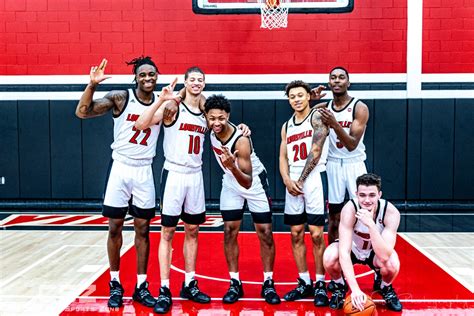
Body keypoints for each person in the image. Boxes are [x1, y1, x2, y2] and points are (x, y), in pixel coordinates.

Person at [75, 57, 176, 309]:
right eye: (142, 75)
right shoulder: (121, 97)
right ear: (136, 78)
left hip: (144, 170)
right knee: (115, 228)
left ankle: (141, 286)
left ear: (157, 76)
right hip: (120, 167)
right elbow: (82, 112)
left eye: (152, 74)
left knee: (143, 229)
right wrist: (92, 85)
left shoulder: (162, 103)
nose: (147, 78)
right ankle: (115, 283)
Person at [204, 94, 281, 305]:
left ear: (228, 115)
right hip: (230, 182)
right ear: (206, 117)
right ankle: (235, 282)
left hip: (252, 182)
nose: (216, 122)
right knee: (229, 231)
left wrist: (231, 165)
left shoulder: (241, 140)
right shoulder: (210, 126)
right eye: (212, 119)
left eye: (221, 118)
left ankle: (268, 282)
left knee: (265, 233)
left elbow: (247, 181)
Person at [279, 80, 330, 307]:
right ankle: (304, 281)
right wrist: (287, 179)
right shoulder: (287, 126)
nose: (297, 99)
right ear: (288, 100)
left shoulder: (317, 117)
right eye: (292, 96)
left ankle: (320, 283)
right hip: (293, 182)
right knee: (296, 233)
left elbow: (316, 151)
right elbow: (282, 156)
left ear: (309, 96)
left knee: (317, 234)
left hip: (313, 179)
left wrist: (300, 180)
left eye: (300, 95)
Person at [322, 173, 403, 312]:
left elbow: (384, 255)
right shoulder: (349, 209)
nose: (367, 200)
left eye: (372, 195)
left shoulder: (391, 213)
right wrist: (355, 290)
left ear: (379, 195)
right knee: (329, 257)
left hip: (375, 251)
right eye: (362, 195)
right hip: (354, 248)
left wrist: (371, 225)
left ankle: (384, 286)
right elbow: (344, 253)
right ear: (356, 194)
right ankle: (340, 287)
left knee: (392, 263)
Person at [314, 67, 369, 245]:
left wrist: (334, 124)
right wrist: (310, 99)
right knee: (334, 217)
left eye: (341, 77)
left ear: (348, 82)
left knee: (362, 213)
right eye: (333, 78)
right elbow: (299, 117)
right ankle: (334, 256)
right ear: (329, 83)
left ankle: (363, 253)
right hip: (333, 164)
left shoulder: (359, 107)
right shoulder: (324, 108)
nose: (337, 81)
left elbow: (352, 145)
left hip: (355, 164)